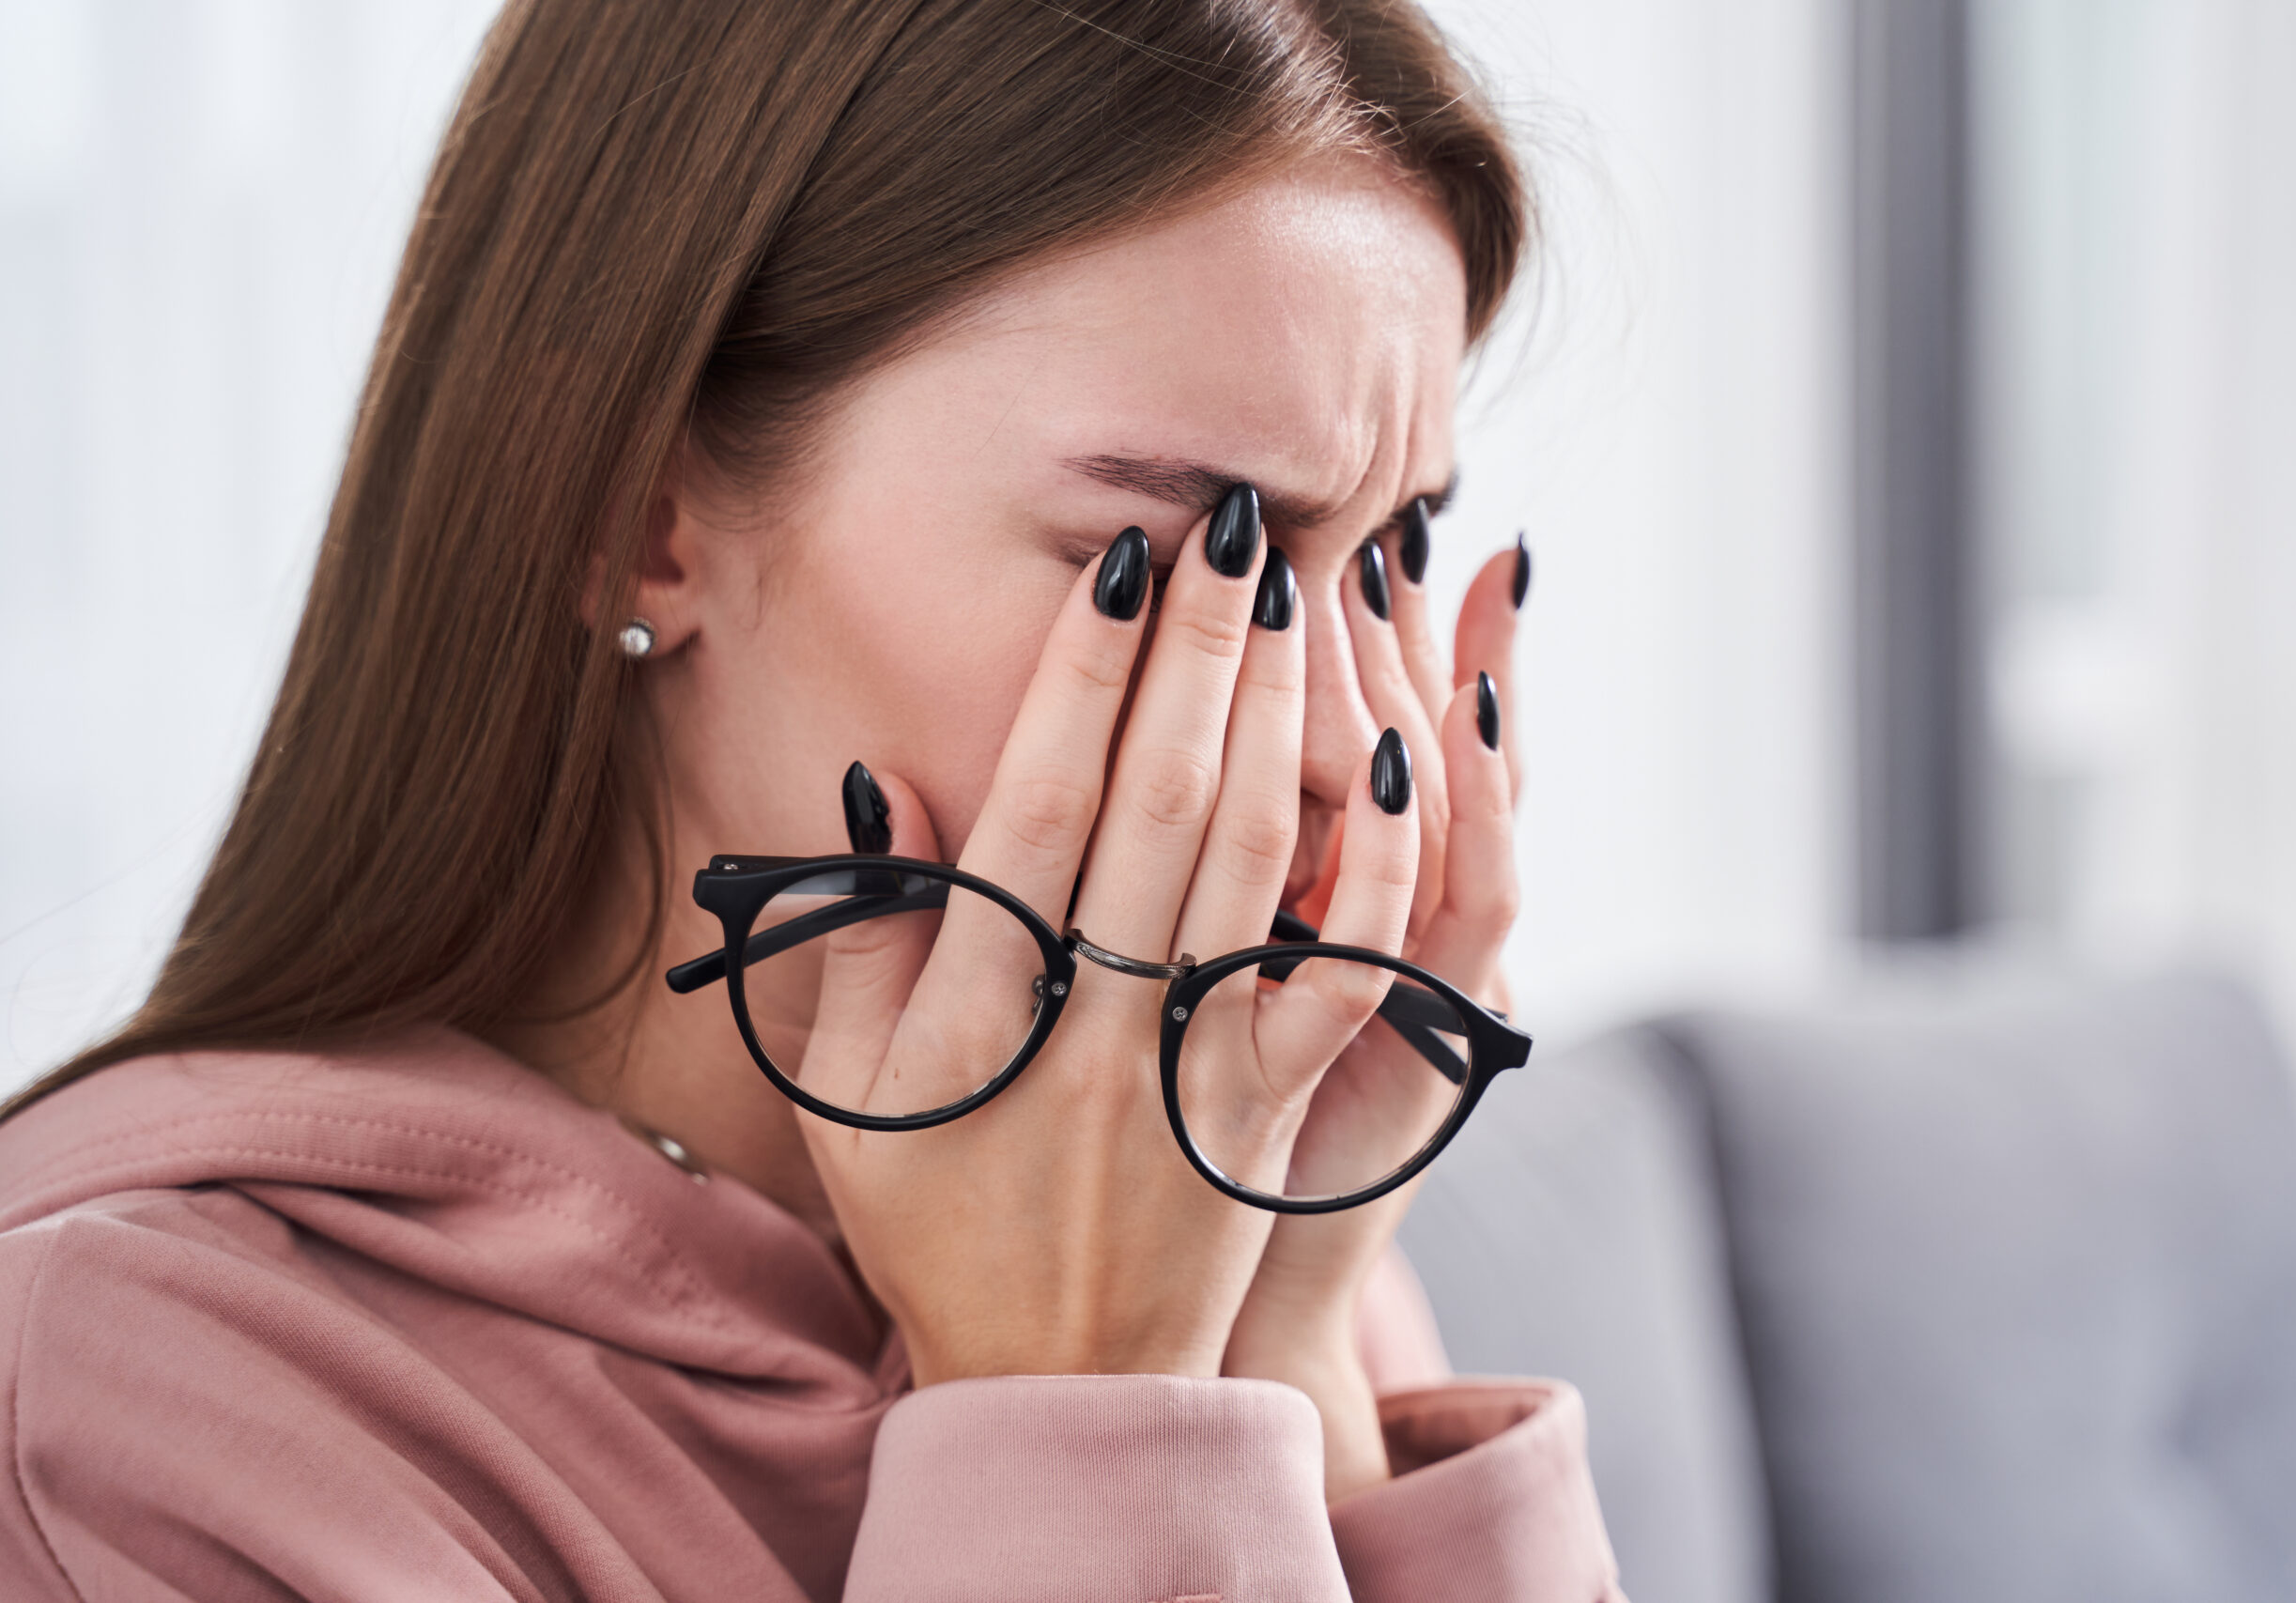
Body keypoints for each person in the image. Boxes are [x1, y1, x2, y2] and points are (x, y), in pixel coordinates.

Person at [0, 2, 1622, 1596]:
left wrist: (1296, 1351)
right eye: (1198, 556)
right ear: (634, 512)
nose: (1341, 749)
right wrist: (1078, 1424)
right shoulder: (124, 1411)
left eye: (1388, 558)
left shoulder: (1224, 1234)